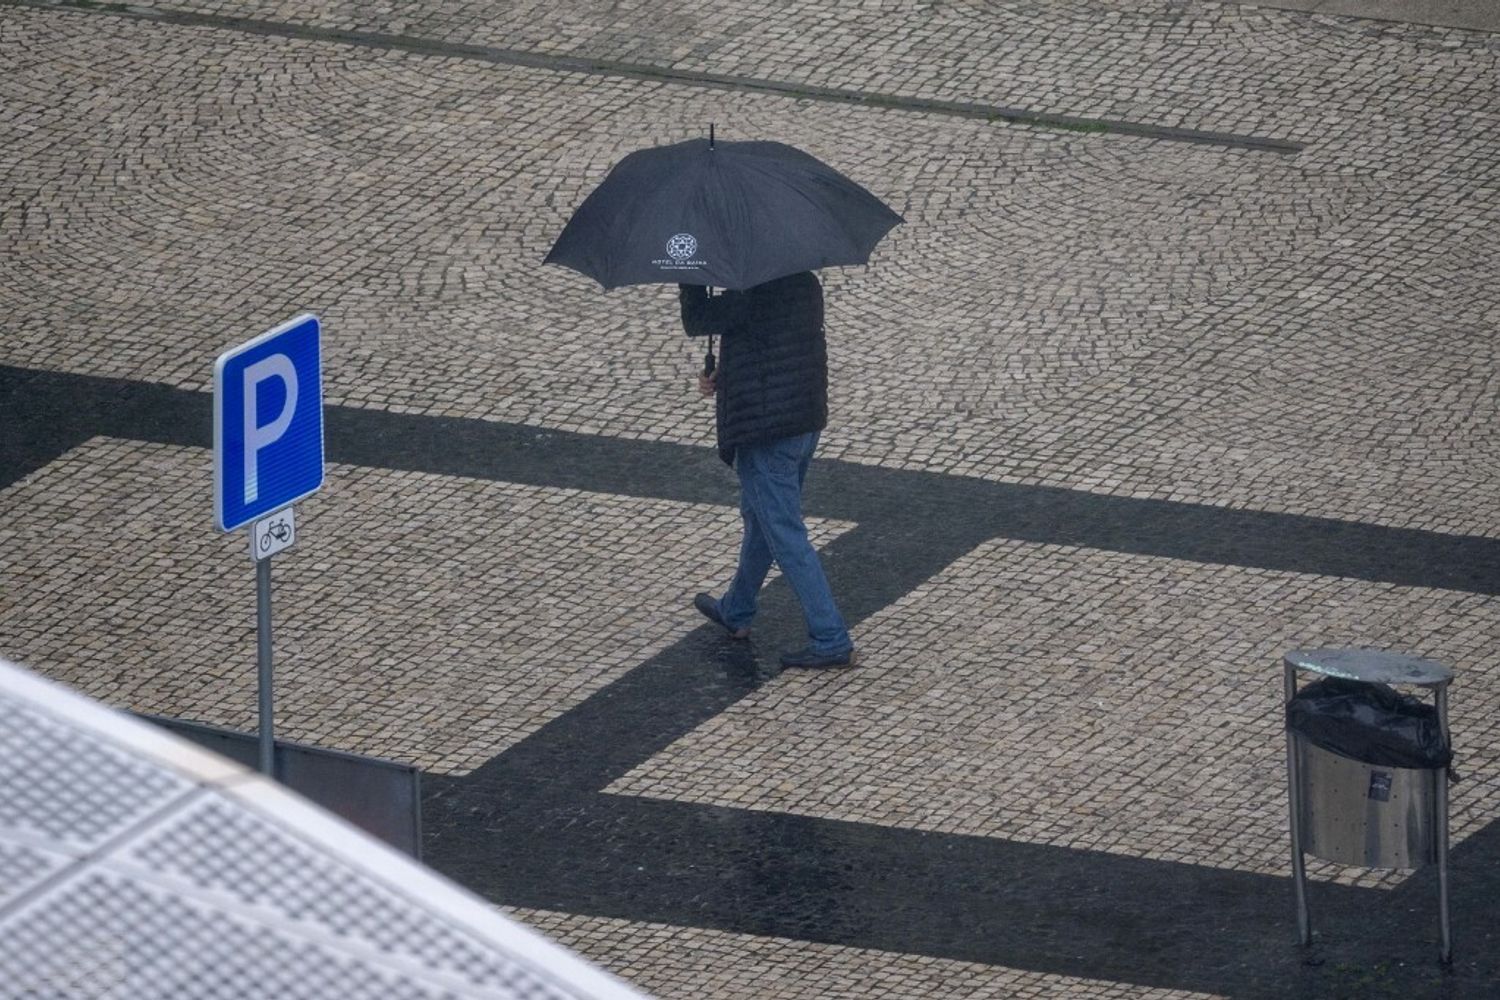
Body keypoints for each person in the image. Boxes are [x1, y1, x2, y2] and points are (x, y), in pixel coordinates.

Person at [678, 273, 856, 669]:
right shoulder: (805, 284)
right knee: (761, 521)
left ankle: (830, 636)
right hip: (802, 421)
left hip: (767, 431)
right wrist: (724, 375)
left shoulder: (749, 293)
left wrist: (689, 277)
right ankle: (737, 609)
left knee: (784, 532)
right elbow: (772, 351)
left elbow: (697, 319)